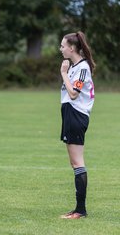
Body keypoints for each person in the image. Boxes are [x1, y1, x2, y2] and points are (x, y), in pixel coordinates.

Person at [59, 31, 96, 219]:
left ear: (72, 48)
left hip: (76, 114)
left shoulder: (82, 67)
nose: (60, 49)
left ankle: (80, 210)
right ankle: (78, 209)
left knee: (77, 162)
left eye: (63, 45)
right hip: (70, 114)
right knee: (74, 163)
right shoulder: (75, 66)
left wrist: (64, 73)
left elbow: (74, 93)